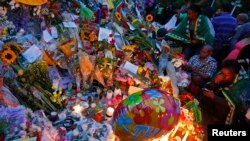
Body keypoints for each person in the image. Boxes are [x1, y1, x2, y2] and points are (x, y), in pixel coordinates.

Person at [201, 60, 250, 124]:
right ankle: (209, 111)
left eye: (226, 75)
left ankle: (217, 119)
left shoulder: (243, 82)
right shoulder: (223, 71)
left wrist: (213, 97)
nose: (222, 76)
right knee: (205, 94)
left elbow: (235, 104)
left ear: (235, 75)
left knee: (221, 108)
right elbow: (207, 86)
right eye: (222, 73)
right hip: (220, 95)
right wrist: (214, 82)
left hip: (230, 105)